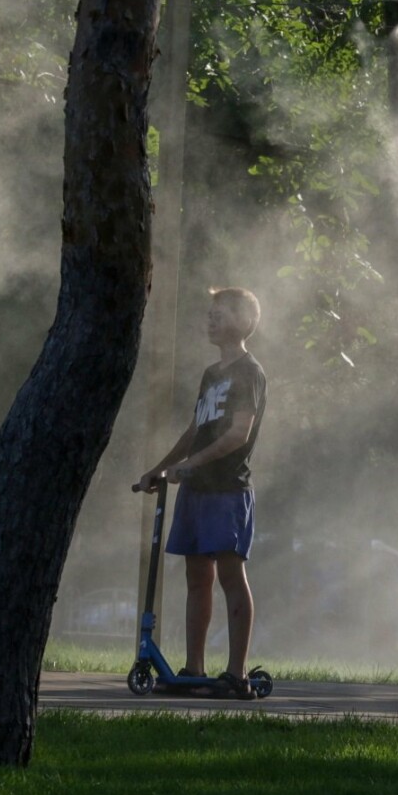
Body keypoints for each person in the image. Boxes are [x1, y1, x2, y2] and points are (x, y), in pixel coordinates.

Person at [138, 287, 267, 700]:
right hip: (196, 491)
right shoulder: (211, 375)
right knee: (197, 579)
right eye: (209, 313)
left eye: (221, 313)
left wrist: (190, 465)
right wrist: (160, 468)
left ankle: (236, 673)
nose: (211, 319)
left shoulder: (249, 372)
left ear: (244, 322)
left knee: (231, 575)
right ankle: (194, 670)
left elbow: (238, 434)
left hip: (227, 490)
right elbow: (195, 430)